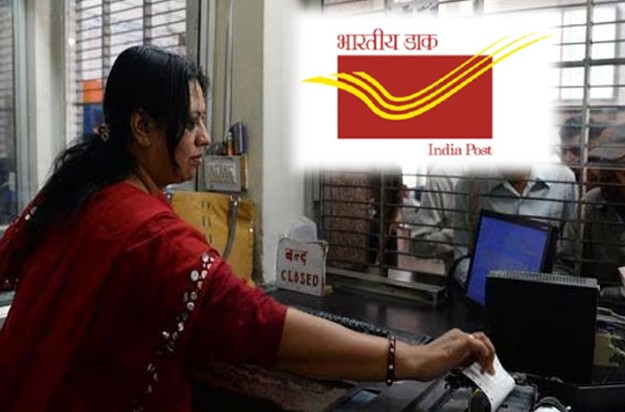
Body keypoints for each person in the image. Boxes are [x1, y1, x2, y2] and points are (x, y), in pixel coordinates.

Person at [0, 45, 495, 412]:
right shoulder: (156, 238)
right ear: (143, 127)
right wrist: (412, 359)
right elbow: (263, 328)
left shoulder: (74, 189)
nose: (205, 136)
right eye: (191, 121)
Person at [453, 164, 578, 286]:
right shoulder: (470, 184)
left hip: (545, 291)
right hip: (486, 288)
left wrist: (548, 289)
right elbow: (462, 252)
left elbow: (568, 258)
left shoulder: (562, 180)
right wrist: (480, 285)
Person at [555, 124, 625, 287]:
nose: (604, 175)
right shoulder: (590, 204)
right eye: (603, 163)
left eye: (616, 165)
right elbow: (563, 265)